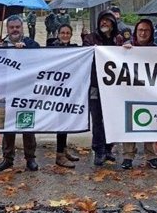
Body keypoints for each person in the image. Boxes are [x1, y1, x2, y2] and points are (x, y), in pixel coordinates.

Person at [82, 10, 129, 166]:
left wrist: (128, 48)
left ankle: (109, 149)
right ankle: (99, 150)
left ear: (113, 24)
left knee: (113, 118)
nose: (104, 23)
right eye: (102, 20)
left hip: (114, 87)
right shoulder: (91, 39)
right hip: (95, 85)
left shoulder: (119, 39)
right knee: (97, 119)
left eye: (108, 21)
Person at [0, 15, 40, 171]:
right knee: (8, 126)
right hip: (7, 90)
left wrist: (25, 51)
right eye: (11, 27)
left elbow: (40, 61)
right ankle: (8, 158)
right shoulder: (0, 45)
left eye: (17, 27)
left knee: (27, 124)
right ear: (7, 29)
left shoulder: (31, 44)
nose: (14, 30)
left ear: (22, 28)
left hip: (26, 91)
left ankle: (30, 158)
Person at [121, 19, 157, 170]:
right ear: (135, 32)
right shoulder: (126, 48)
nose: (143, 33)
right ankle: (127, 156)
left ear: (151, 33)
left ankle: (152, 156)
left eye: (146, 30)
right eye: (140, 30)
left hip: (149, 92)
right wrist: (122, 51)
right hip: (130, 92)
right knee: (128, 123)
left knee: (149, 122)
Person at [50, 24, 81, 168]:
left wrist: (84, 37)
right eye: (62, 32)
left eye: (68, 33)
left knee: (66, 122)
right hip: (56, 91)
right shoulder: (51, 48)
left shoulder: (74, 48)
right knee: (61, 123)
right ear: (58, 34)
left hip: (70, 90)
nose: (65, 35)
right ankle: (59, 155)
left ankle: (63, 150)